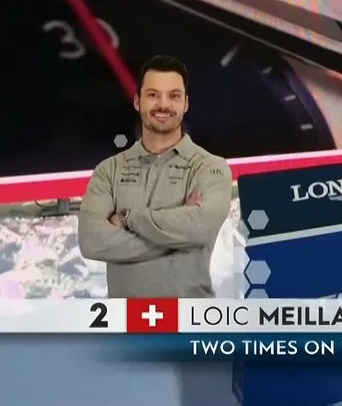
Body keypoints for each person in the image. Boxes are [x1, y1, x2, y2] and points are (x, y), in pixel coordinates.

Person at [77, 55, 231, 298]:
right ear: (137, 101)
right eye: (153, 95)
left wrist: (128, 218)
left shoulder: (211, 167)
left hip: (190, 324)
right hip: (127, 326)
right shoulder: (108, 171)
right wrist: (177, 240)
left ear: (186, 103)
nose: (163, 105)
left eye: (174, 96)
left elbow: (199, 229)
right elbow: (91, 242)